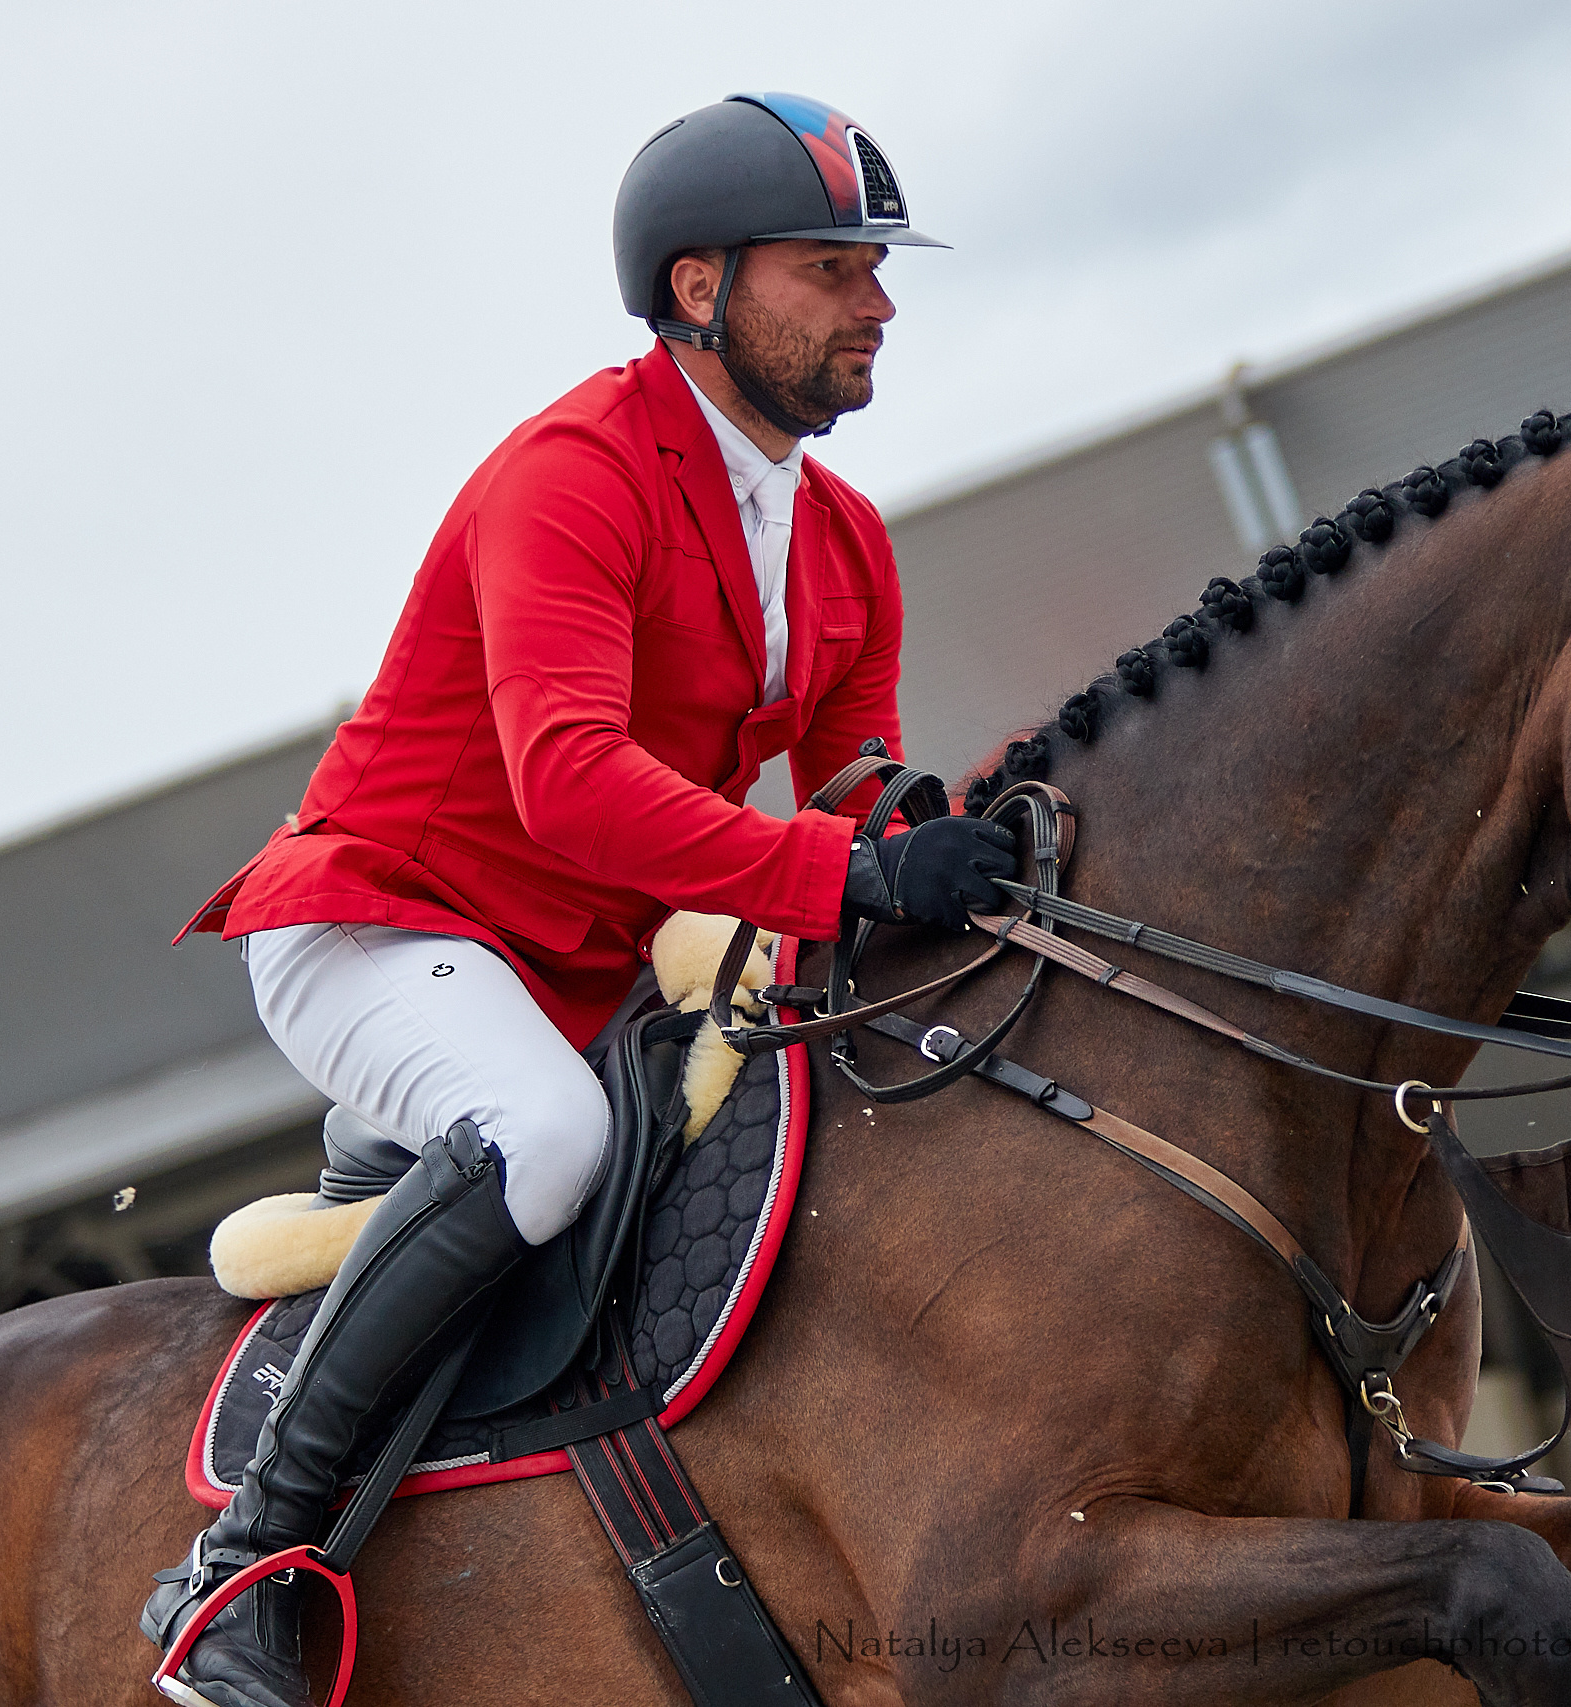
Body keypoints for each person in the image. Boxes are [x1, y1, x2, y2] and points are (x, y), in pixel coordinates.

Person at [138, 92, 1016, 1707]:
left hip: (565, 968)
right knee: (551, 1136)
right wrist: (847, 865)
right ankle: (247, 1566)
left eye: (878, 269)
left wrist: (969, 834)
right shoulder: (572, 474)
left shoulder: (845, 543)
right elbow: (571, 782)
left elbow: (852, 794)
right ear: (701, 289)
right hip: (379, 924)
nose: (880, 304)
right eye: (833, 267)